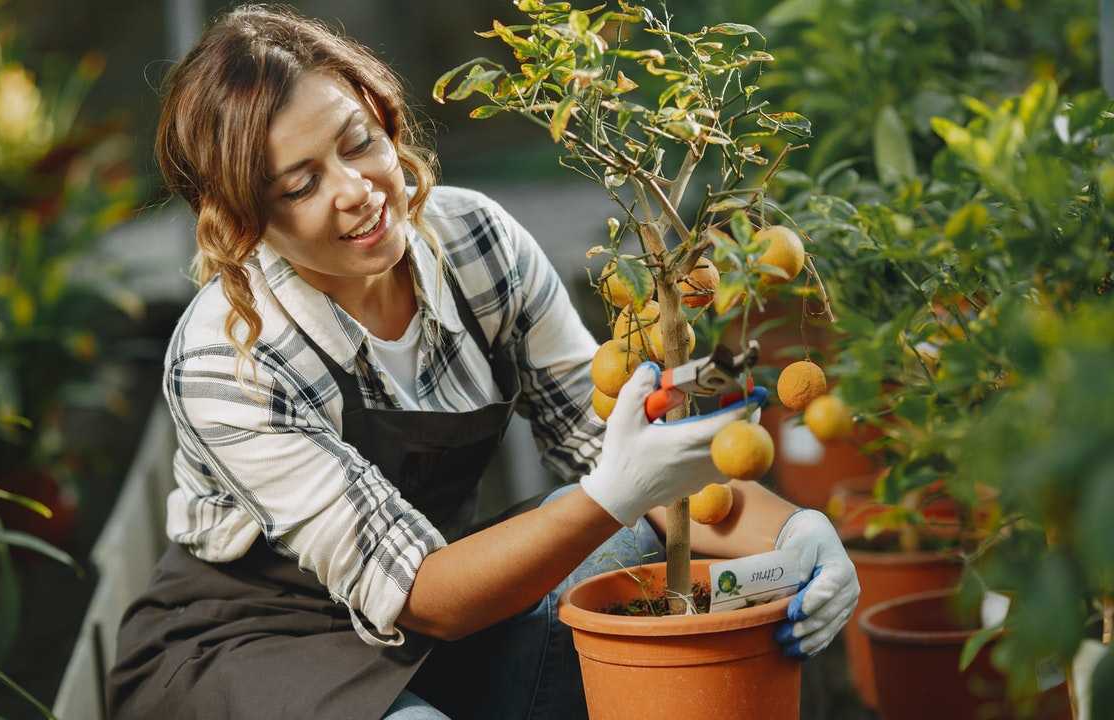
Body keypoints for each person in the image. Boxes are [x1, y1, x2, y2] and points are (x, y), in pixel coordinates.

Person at [106, 5, 860, 719]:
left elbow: (620, 449)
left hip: (434, 621)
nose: (357, 191)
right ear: (246, 222)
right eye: (301, 185)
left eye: (358, 142)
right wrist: (613, 491)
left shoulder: (476, 245)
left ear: (383, 115)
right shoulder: (229, 357)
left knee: (641, 555)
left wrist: (794, 537)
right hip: (251, 651)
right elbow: (426, 593)